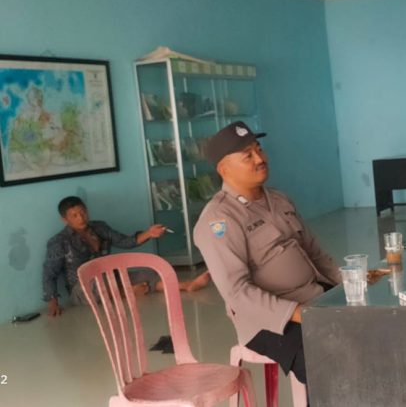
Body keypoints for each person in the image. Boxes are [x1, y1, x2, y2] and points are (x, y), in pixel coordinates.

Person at [193, 121, 342, 386]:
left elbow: (315, 253)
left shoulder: (279, 200)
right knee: (328, 362)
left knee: (375, 330)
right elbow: (238, 293)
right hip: (268, 321)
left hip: (314, 297)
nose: (260, 159)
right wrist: (298, 312)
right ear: (224, 169)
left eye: (259, 149)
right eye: (247, 155)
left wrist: (352, 283)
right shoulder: (219, 219)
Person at [43, 196, 211, 317]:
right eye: (74, 215)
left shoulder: (99, 227)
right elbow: (49, 274)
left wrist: (149, 233)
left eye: (83, 212)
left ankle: (187, 285)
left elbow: (124, 242)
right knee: (96, 284)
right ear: (64, 219)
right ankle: (128, 292)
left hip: (110, 277)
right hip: (83, 289)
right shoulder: (58, 242)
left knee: (148, 273)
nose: (81, 218)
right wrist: (53, 303)